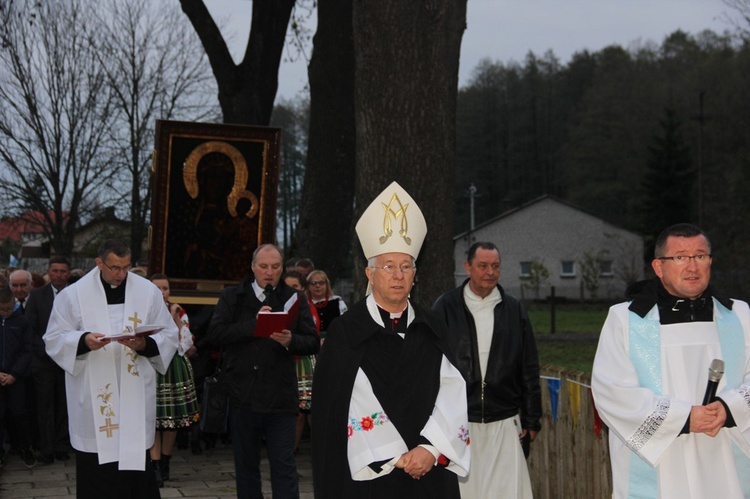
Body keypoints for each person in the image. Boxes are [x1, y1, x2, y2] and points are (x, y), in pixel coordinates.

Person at [312, 181, 470, 498]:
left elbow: (453, 393)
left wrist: (430, 448)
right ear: (370, 274)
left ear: (415, 275)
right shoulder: (346, 331)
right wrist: (396, 455)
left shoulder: (434, 327)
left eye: (405, 267)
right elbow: (348, 402)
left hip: (428, 470)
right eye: (388, 266)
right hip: (370, 475)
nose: (398, 275)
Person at [592, 223, 750, 498]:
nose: (692, 267)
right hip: (662, 462)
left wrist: (729, 407)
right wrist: (685, 418)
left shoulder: (739, 315)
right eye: (680, 257)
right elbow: (611, 390)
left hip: (726, 452)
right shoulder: (626, 320)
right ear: (658, 266)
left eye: (700, 256)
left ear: (710, 261)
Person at [44, 239, 178, 499]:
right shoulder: (73, 295)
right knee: (97, 471)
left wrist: (144, 344)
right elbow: (54, 338)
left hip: (134, 393)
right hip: (94, 398)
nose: (121, 274)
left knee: (135, 468)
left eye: (126, 267)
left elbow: (169, 336)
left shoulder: (147, 292)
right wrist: (84, 341)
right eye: (115, 267)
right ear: (99, 263)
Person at [208, 243, 319, 499]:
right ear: (252, 267)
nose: (269, 272)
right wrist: (253, 325)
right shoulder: (232, 296)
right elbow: (215, 334)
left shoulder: (294, 297)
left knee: (284, 466)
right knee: (246, 468)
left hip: (280, 397)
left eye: (276, 266)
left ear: (283, 268)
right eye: (264, 266)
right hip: (242, 395)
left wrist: (291, 340)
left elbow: (312, 340)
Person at [432, 241, 541, 498]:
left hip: (504, 419)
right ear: (468, 267)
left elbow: (528, 366)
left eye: (495, 266)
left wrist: (532, 418)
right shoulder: (445, 307)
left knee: (506, 491)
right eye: (482, 266)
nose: (490, 272)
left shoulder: (514, 310)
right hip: (460, 419)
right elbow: (429, 364)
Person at [148, 274, 200, 487]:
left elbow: (186, 344)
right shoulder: (144, 312)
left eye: (166, 288)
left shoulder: (179, 311)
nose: (162, 292)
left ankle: (166, 462)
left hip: (175, 368)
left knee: (171, 419)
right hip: (152, 366)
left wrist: (175, 317)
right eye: (158, 288)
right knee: (152, 420)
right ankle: (155, 465)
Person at [26, 256, 72, 464]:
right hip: (43, 360)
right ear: (48, 272)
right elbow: (31, 329)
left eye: (63, 271)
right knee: (45, 406)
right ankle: (47, 449)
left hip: (68, 361)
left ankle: (62, 445)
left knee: (65, 404)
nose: (59, 275)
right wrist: (49, 351)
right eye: (55, 271)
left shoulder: (75, 296)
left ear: (68, 273)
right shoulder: (36, 296)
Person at [0, 287, 36, 468]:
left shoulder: (22, 321)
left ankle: (25, 448)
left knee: (19, 413)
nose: (5, 313)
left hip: (16, 377)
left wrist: (14, 373)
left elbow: (27, 350)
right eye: (2, 309)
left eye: (8, 309)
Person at [284, 271, 319, 454]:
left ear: (303, 289)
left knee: (310, 409)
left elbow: (312, 336)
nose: (291, 291)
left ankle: (321, 448)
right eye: (287, 286)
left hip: (304, 362)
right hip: (287, 363)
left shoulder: (308, 308)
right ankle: (291, 450)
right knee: (295, 412)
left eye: (295, 287)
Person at [306, 269, 348, 336]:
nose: (317, 286)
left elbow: (345, 322)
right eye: (313, 283)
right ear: (308, 286)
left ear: (327, 285)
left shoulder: (338, 302)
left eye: (321, 283)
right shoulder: (305, 304)